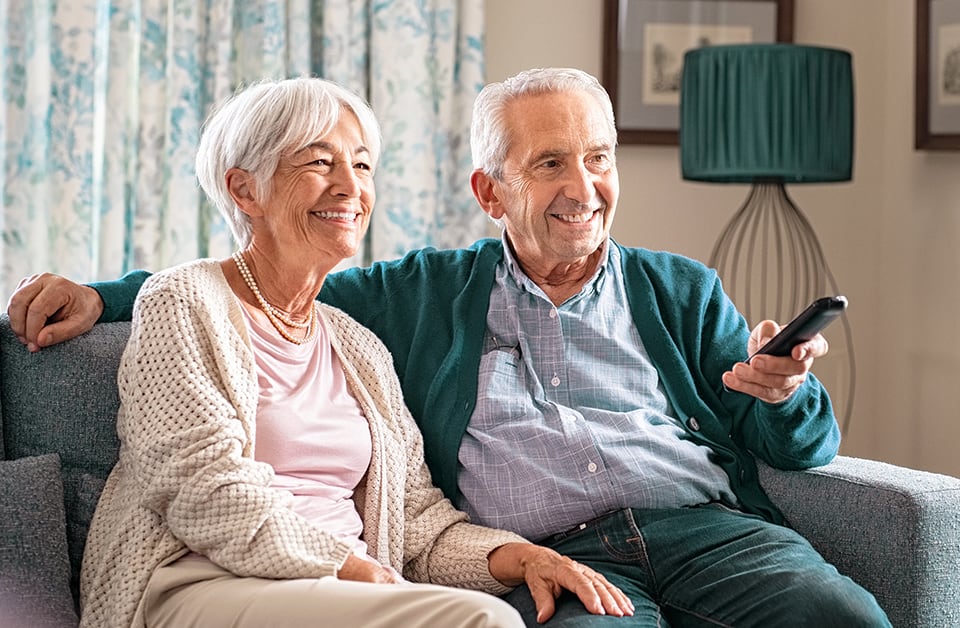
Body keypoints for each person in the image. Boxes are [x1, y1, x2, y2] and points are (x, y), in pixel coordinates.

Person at [7, 68, 890, 627]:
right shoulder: (413, 297)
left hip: (708, 534)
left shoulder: (681, 290)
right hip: (551, 550)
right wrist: (99, 294)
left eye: (599, 158)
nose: (583, 187)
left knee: (836, 612)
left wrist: (785, 395)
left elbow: (796, 448)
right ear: (489, 190)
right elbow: (253, 281)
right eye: (549, 164)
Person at [57, 76, 633, 628]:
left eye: (361, 165)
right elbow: (201, 490)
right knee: (480, 621)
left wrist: (525, 556)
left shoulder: (356, 346)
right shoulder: (183, 301)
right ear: (244, 189)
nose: (349, 187)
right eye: (318, 162)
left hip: (339, 593)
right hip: (202, 582)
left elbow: (418, 527)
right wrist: (355, 568)